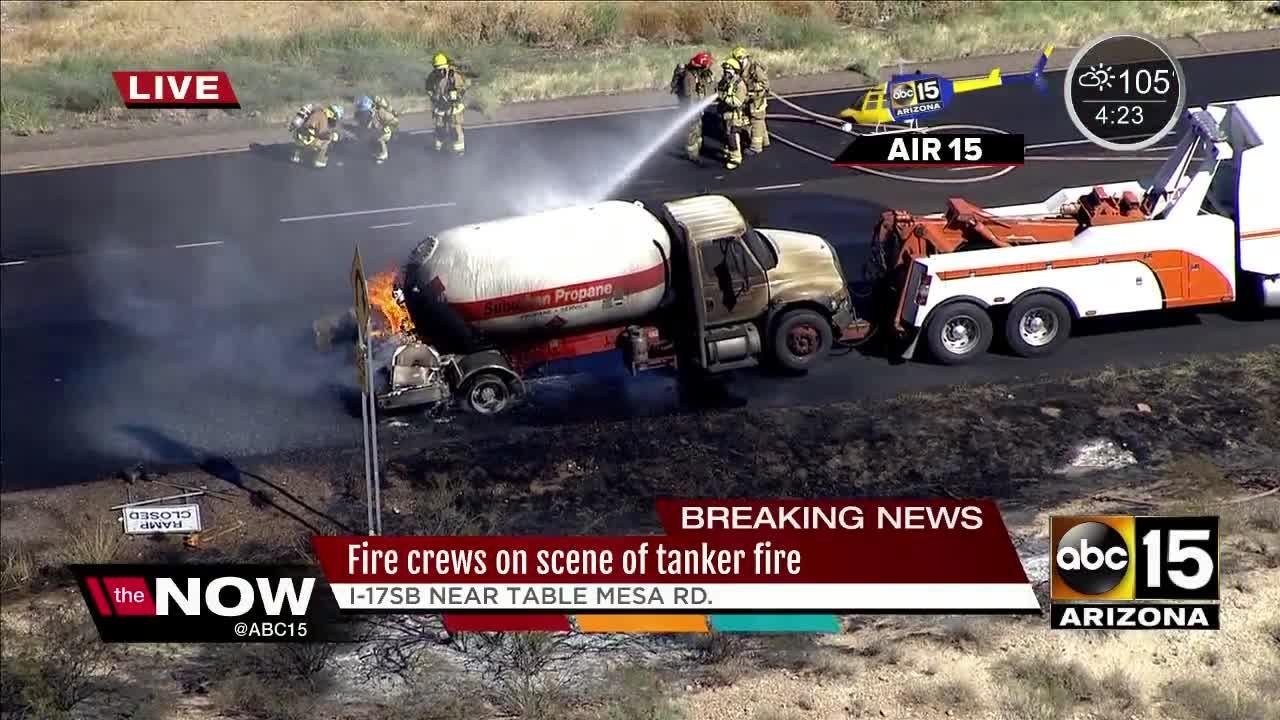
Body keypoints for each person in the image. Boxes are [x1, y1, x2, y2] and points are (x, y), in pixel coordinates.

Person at [670, 51, 716, 164]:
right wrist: (693, 111)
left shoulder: (697, 73)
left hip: (696, 107)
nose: (708, 67)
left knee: (698, 128)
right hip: (690, 108)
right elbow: (689, 96)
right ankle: (692, 154)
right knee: (692, 130)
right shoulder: (689, 77)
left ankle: (698, 148)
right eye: (706, 66)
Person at [426, 53, 467, 156]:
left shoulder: (454, 76)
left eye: (442, 69)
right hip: (440, 106)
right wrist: (435, 98)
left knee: (455, 128)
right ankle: (439, 148)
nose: (440, 72)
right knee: (439, 127)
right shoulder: (432, 76)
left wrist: (455, 97)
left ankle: (459, 150)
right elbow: (429, 89)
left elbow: (462, 89)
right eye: (437, 69)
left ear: (446, 67)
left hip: (454, 107)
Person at [732, 46, 770, 154]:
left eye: (740, 59)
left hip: (757, 101)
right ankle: (765, 141)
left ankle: (756, 147)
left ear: (745, 58)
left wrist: (752, 91)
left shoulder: (755, 69)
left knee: (756, 121)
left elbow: (765, 84)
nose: (739, 62)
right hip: (751, 100)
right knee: (759, 120)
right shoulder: (743, 69)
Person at [717, 58, 749, 170]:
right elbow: (719, 89)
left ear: (735, 71)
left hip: (734, 115)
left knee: (732, 137)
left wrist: (724, 97)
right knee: (726, 135)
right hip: (725, 114)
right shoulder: (725, 81)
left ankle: (735, 159)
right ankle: (728, 153)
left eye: (728, 70)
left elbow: (737, 102)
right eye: (725, 70)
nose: (726, 73)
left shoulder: (740, 85)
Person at [290, 103, 343, 168]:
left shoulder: (315, 112)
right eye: (335, 118)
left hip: (298, 137)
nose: (334, 120)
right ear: (332, 114)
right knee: (327, 141)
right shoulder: (323, 117)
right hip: (308, 140)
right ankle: (319, 161)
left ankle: (297, 156)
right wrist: (333, 136)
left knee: (306, 140)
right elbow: (322, 134)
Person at [355, 95, 400, 164]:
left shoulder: (380, 112)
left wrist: (389, 129)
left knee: (379, 137)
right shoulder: (371, 113)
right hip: (384, 126)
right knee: (372, 135)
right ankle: (377, 150)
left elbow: (394, 121)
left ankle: (384, 153)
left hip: (389, 127)